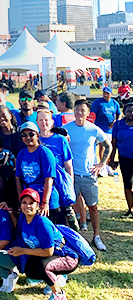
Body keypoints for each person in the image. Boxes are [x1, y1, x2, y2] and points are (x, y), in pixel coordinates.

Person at [7, 188, 79, 300]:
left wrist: (22, 251)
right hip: (48, 255)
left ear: (38, 206)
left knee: (42, 267)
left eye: (31, 203)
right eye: (24, 202)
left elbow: (49, 251)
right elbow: (19, 231)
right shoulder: (22, 218)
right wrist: (10, 212)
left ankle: (58, 294)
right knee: (29, 270)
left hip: (66, 257)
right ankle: (53, 277)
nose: (27, 206)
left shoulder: (42, 223)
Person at [63, 99, 111, 251]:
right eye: (77, 109)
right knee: (68, 207)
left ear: (88, 113)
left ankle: (96, 236)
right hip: (72, 175)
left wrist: (102, 164)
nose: (79, 113)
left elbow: (108, 146)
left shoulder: (94, 129)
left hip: (89, 175)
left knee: (93, 207)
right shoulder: (65, 129)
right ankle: (68, 237)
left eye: (82, 110)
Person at [16, 122, 60, 223]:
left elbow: (49, 179)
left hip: (46, 199)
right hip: (30, 200)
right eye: (24, 135)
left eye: (31, 134)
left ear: (37, 135)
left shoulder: (44, 152)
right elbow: (18, 178)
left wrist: (45, 202)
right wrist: (21, 199)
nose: (28, 137)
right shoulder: (21, 154)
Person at [91, 87, 121, 176]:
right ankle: (102, 166)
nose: (105, 95)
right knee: (102, 147)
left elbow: (119, 114)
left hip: (110, 129)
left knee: (110, 147)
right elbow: (93, 115)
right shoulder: (98, 102)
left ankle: (108, 166)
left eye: (107, 93)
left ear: (111, 94)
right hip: (100, 128)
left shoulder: (114, 103)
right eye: (104, 93)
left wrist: (116, 122)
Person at [110, 103, 133, 217]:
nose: (131, 113)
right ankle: (130, 209)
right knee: (127, 185)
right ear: (124, 112)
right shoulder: (118, 124)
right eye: (129, 111)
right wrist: (111, 159)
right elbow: (113, 144)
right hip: (125, 159)